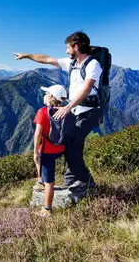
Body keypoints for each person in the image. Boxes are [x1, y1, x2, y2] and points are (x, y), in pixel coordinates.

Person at [14, 31, 102, 191]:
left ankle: (85, 181)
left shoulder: (93, 65)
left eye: (68, 47)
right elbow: (47, 59)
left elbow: (87, 88)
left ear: (76, 46)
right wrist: (27, 55)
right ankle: (73, 179)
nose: (66, 51)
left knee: (73, 143)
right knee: (68, 143)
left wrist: (68, 106)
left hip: (89, 111)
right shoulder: (72, 64)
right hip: (75, 111)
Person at [33, 84, 67, 217]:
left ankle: (47, 209)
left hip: (47, 150)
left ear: (51, 96)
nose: (45, 95)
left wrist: (35, 152)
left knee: (50, 182)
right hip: (61, 148)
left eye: (47, 93)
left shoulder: (42, 111)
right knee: (41, 162)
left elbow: (38, 134)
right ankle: (41, 180)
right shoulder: (65, 110)